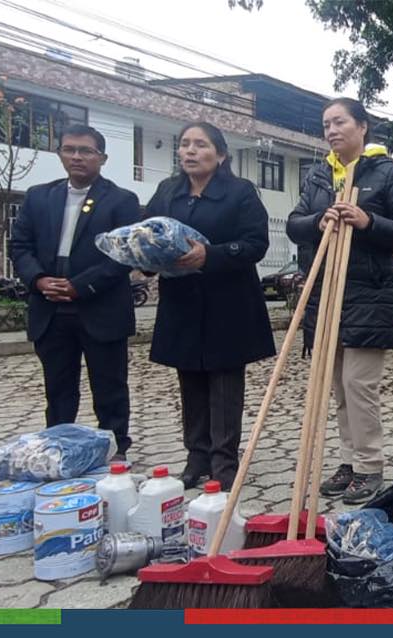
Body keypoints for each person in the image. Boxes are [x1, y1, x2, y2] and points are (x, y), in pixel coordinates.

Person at [287, 98, 393, 505]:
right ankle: (348, 461)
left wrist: (367, 221)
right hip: (326, 293)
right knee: (338, 388)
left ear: (362, 126)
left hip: (369, 294)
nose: (331, 130)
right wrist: (318, 220)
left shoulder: (387, 172)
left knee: (359, 385)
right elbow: (295, 224)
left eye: (339, 121)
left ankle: (369, 465)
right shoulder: (318, 174)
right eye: (326, 123)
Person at [146, 122, 274, 491]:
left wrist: (210, 255)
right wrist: (144, 256)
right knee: (190, 381)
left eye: (199, 145)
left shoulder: (239, 192)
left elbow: (255, 244)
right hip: (182, 302)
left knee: (224, 385)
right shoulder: (167, 191)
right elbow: (149, 232)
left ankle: (224, 461)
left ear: (220, 155)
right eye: (184, 144)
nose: (189, 151)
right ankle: (195, 457)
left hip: (227, 303)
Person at [10, 125, 141, 461]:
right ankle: (58, 448)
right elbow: (20, 245)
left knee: (109, 388)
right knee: (58, 388)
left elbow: (124, 254)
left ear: (102, 158)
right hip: (50, 308)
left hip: (100, 307)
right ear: (60, 154)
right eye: (70, 150)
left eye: (86, 151)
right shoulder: (40, 196)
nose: (77, 157)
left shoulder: (121, 201)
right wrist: (38, 279)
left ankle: (115, 450)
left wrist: (81, 286)